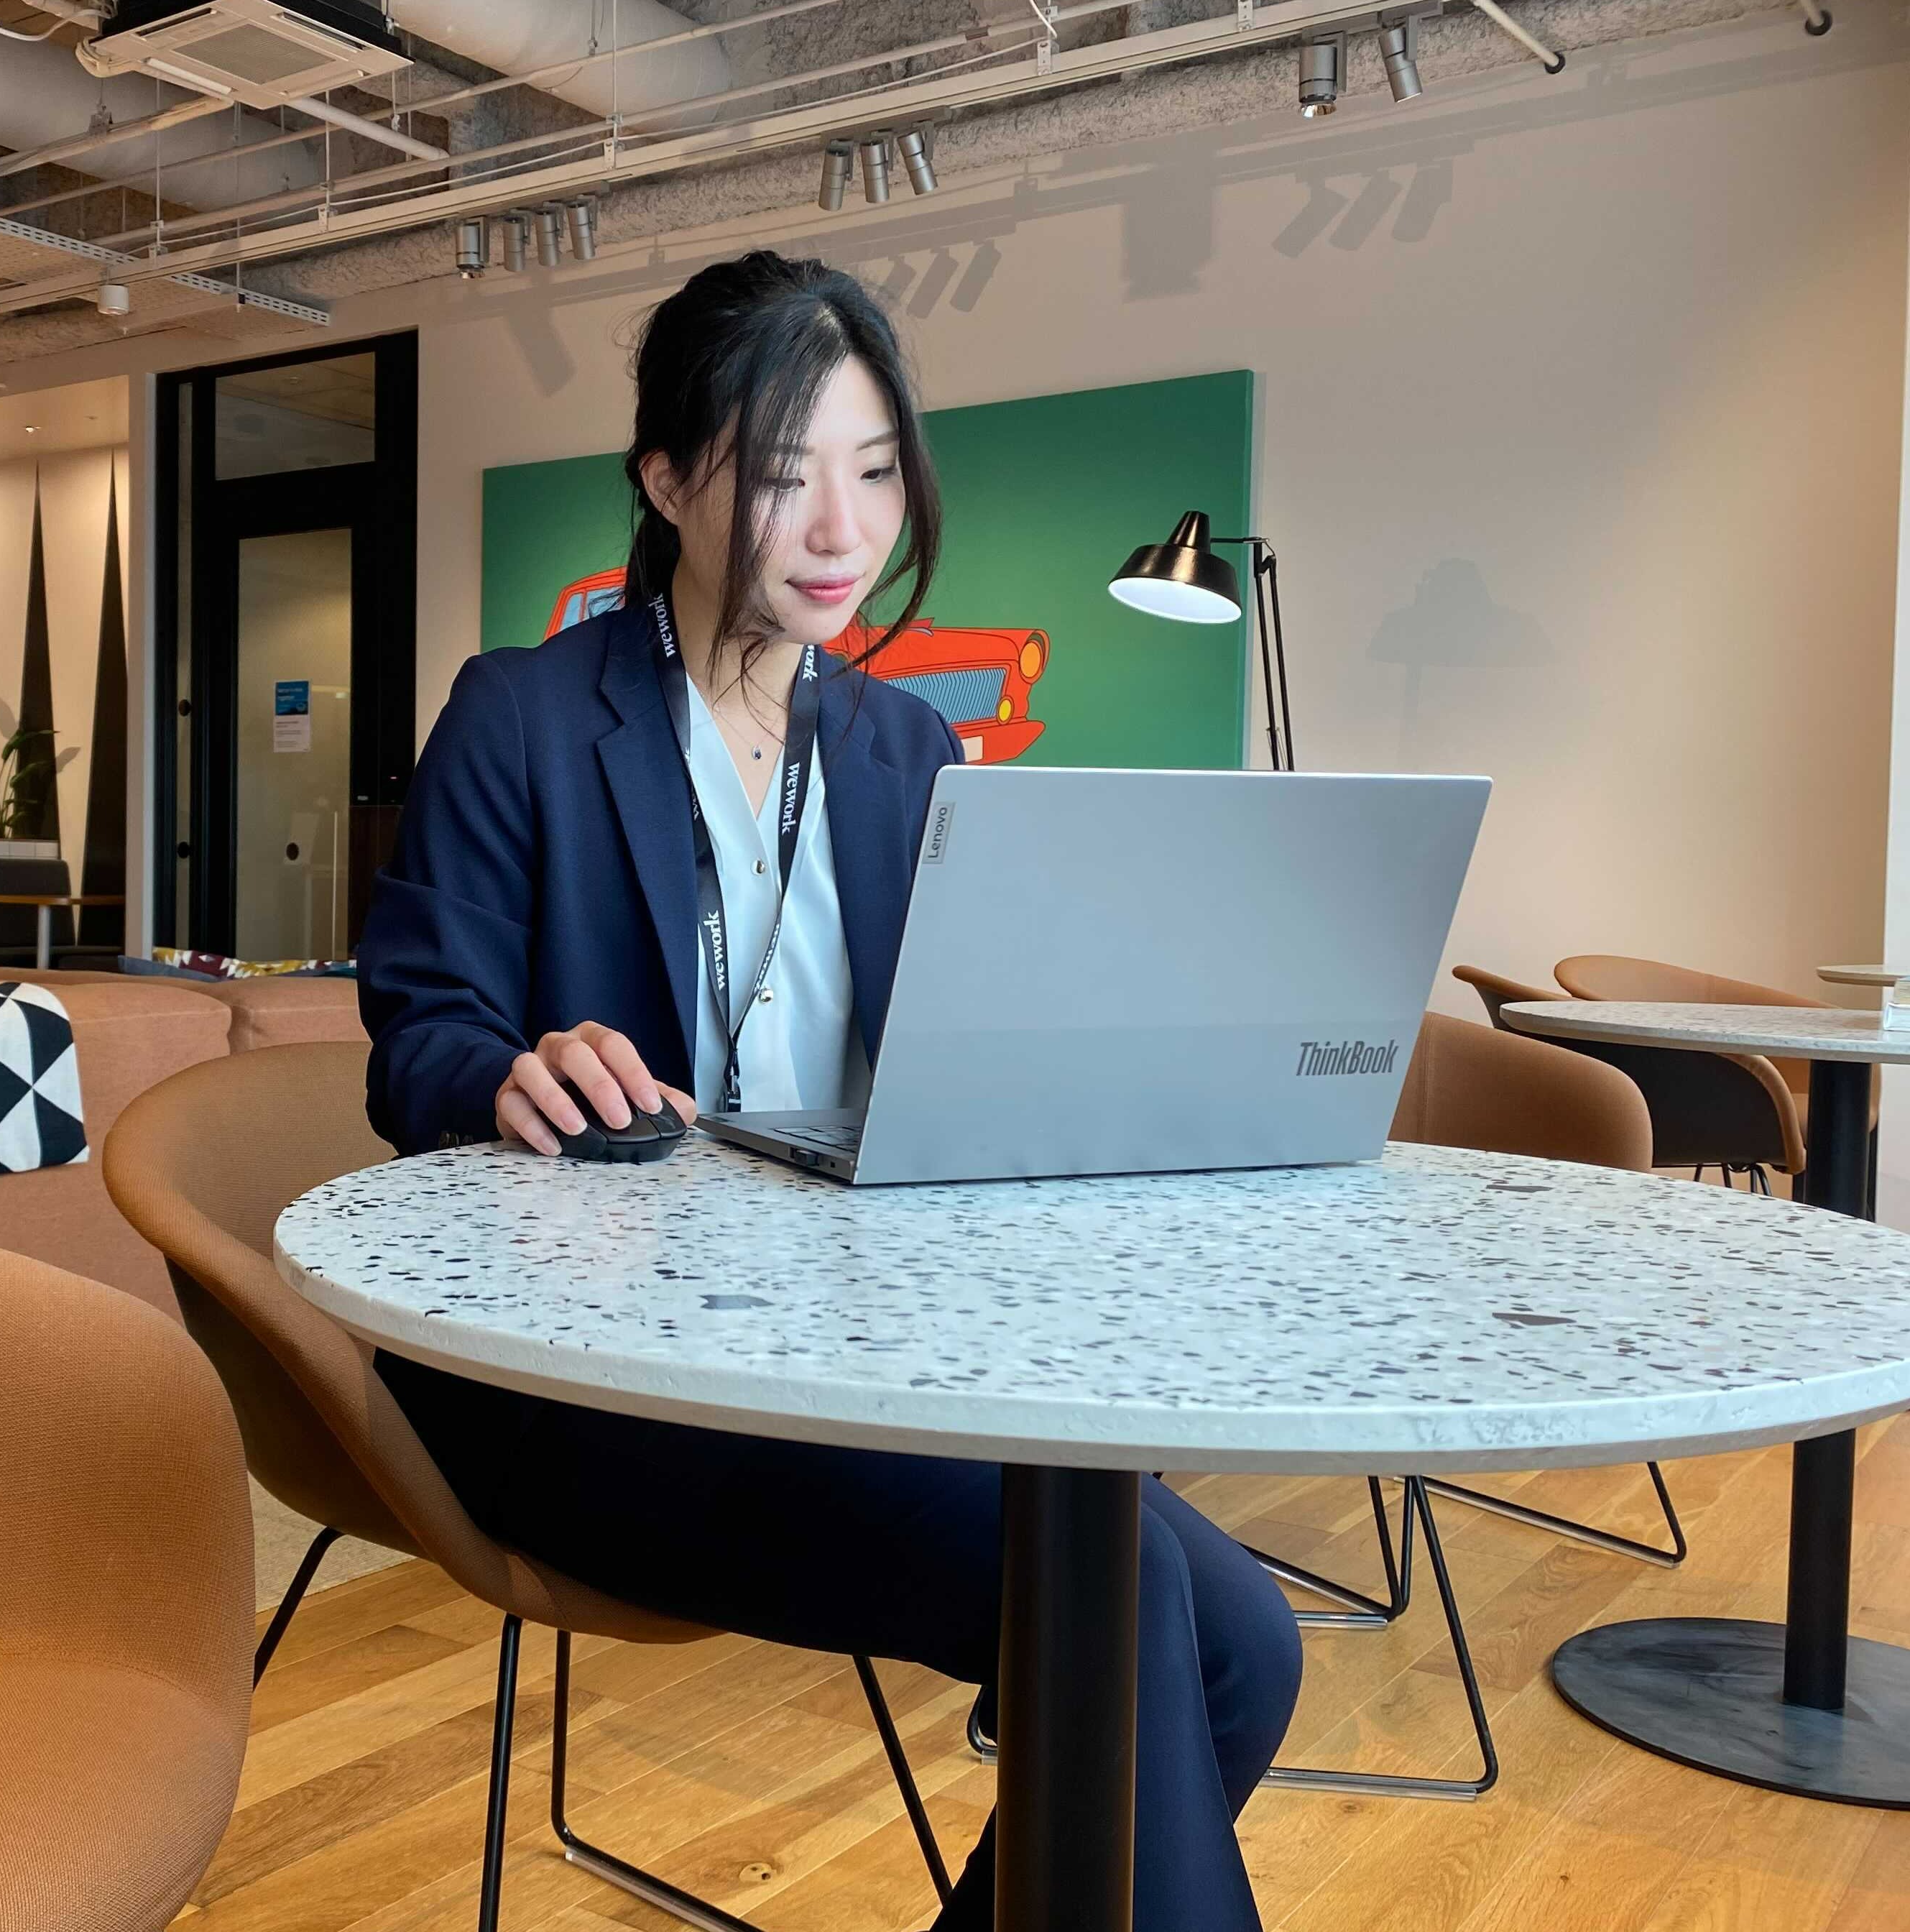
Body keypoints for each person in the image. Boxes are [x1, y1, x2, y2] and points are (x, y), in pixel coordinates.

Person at [355, 250, 1302, 1931]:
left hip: (849, 1352)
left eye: (874, 473)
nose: (840, 529)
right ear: (667, 481)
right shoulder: (521, 716)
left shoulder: (903, 750)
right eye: (785, 475)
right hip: (596, 1371)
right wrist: (511, 1070)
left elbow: (956, 1056)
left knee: (1246, 1643)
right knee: (1131, 1602)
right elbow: (415, 1032)